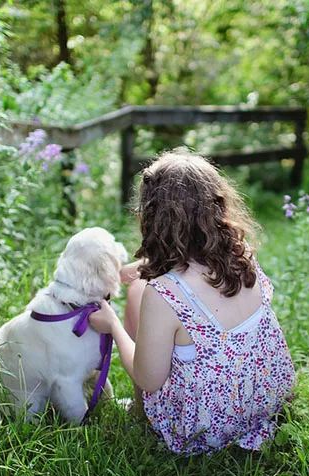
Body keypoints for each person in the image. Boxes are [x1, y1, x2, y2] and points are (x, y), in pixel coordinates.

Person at [87, 151, 296, 455]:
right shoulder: (243, 255)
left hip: (204, 427)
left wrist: (114, 326)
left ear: (153, 217)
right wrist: (148, 266)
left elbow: (149, 379)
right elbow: (198, 279)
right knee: (144, 289)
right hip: (265, 400)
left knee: (137, 293)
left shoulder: (162, 294)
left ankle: (141, 412)